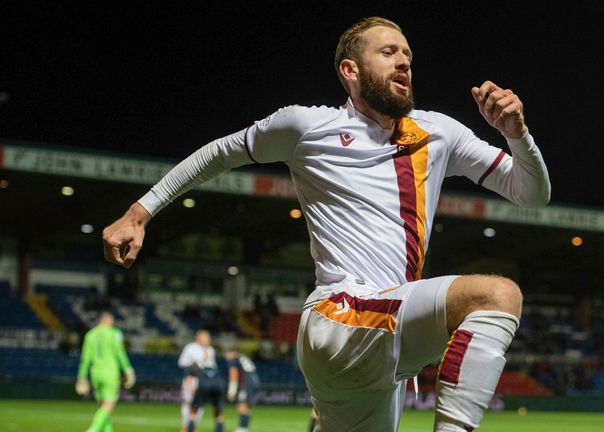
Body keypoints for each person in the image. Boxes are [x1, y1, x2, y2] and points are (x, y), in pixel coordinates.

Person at [102, 16, 550, 431]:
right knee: (497, 295)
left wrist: (516, 134)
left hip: (383, 344)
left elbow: (530, 193)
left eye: (408, 55)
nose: (404, 62)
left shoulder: (440, 132)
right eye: (389, 52)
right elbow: (219, 153)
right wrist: (139, 213)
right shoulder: (306, 125)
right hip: (340, 315)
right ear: (350, 71)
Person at [76, 311, 136, 432]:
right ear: (108, 321)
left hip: (95, 374)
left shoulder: (90, 335)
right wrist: (128, 369)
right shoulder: (115, 333)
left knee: (102, 408)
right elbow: (120, 353)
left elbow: (85, 359)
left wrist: (81, 376)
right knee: (108, 405)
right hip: (110, 373)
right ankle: (92, 430)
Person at [178, 330, 215, 432]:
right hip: (191, 378)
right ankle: (186, 426)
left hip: (204, 379)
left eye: (208, 337)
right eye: (205, 337)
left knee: (200, 403)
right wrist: (195, 364)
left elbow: (211, 366)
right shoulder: (190, 348)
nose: (208, 339)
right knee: (189, 401)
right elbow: (181, 362)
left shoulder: (211, 350)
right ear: (198, 338)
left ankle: (193, 425)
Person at [186, 342, 226, 432]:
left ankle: (190, 429)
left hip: (204, 385)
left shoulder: (196, 363)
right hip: (219, 385)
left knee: (193, 410)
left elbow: (189, 378)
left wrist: (192, 391)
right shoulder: (213, 365)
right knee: (218, 411)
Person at [225, 349, 261, 432]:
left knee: (242, 404)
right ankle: (244, 427)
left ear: (232, 353)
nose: (226, 357)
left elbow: (233, 374)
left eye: (227, 354)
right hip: (255, 380)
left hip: (247, 382)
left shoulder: (234, 360)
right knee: (247, 406)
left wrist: (231, 391)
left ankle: (242, 428)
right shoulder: (244, 358)